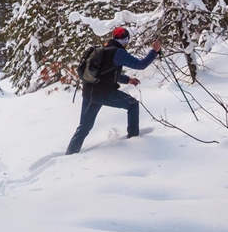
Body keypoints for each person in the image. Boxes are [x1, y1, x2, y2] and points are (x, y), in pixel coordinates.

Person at [65, 27, 162, 155]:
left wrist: (127, 80)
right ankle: (134, 140)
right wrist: (154, 51)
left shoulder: (103, 50)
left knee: (84, 127)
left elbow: (106, 74)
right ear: (126, 40)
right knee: (132, 105)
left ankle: (69, 154)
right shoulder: (118, 53)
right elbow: (141, 65)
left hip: (89, 92)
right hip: (105, 93)